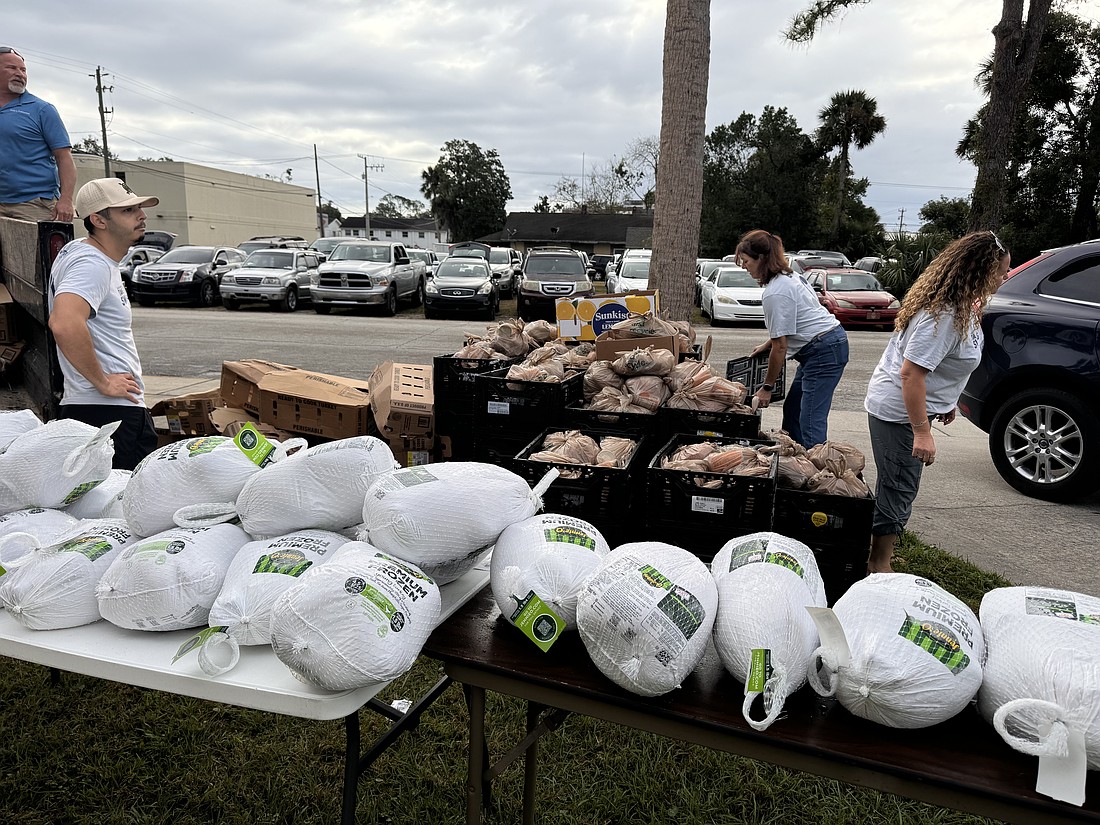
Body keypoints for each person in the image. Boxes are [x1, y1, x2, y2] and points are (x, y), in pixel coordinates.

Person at [865, 231, 1011, 573]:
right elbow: (910, 375)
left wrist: (946, 401)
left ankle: (878, 554)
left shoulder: (962, 307)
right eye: (1002, 271)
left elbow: (946, 364)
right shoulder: (942, 317)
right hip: (898, 413)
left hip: (914, 409)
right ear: (980, 272)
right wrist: (921, 432)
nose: (1006, 277)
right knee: (899, 486)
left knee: (898, 483)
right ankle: (877, 564)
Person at [48, 178, 161, 470]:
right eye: (128, 210)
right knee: (122, 496)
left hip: (98, 408)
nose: (142, 215)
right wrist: (103, 382)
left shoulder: (83, 252)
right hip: (109, 413)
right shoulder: (92, 264)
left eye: (139, 208)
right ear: (98, 220)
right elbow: (64, 322)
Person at [736, 229, 850, 448]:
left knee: (810, 421)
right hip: (823, 345)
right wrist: (767, 344)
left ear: (762, 259)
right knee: (793, 410)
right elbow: (792, 323)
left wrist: (767, 387)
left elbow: (780, 347)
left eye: (746, 261)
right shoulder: (789, 277)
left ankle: (817, 465)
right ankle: (796, 457)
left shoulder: (776, 292)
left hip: (823, 351)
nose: (743, 266)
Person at [0, 46, 76, 223]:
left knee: (33, 244)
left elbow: (64, 157)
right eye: (12, 68)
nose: (20, 74)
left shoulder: (42, 110)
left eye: (23, 70)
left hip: (34, 204)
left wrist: (66, 200)